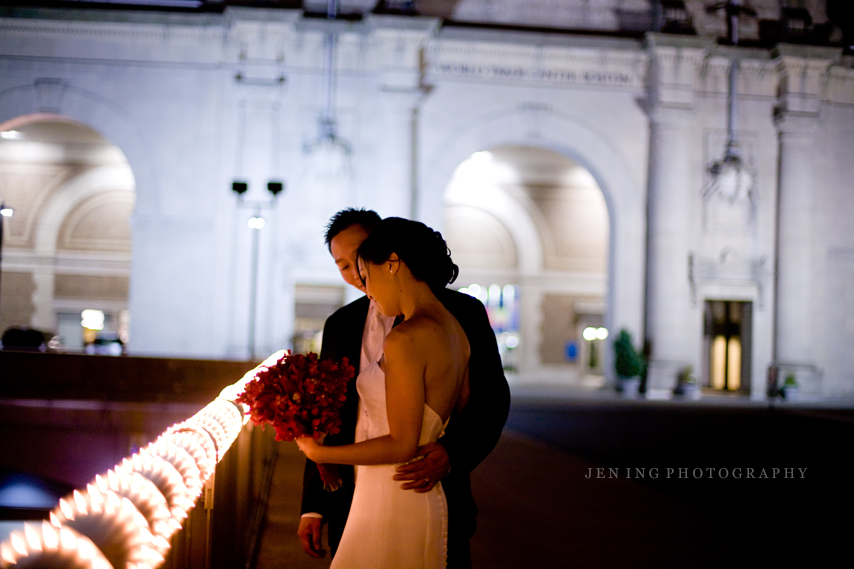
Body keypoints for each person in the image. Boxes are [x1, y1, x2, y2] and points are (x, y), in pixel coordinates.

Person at [298, 209, 510, 568]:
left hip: (415, 482)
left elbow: (489, 400)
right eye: (344, 267)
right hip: (358, 494)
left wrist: (452, 451)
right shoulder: (341, 324)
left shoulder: (457, 315)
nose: (358, 276)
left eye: (362, 263)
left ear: (390, 257)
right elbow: (328, 413)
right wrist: (314, 505)